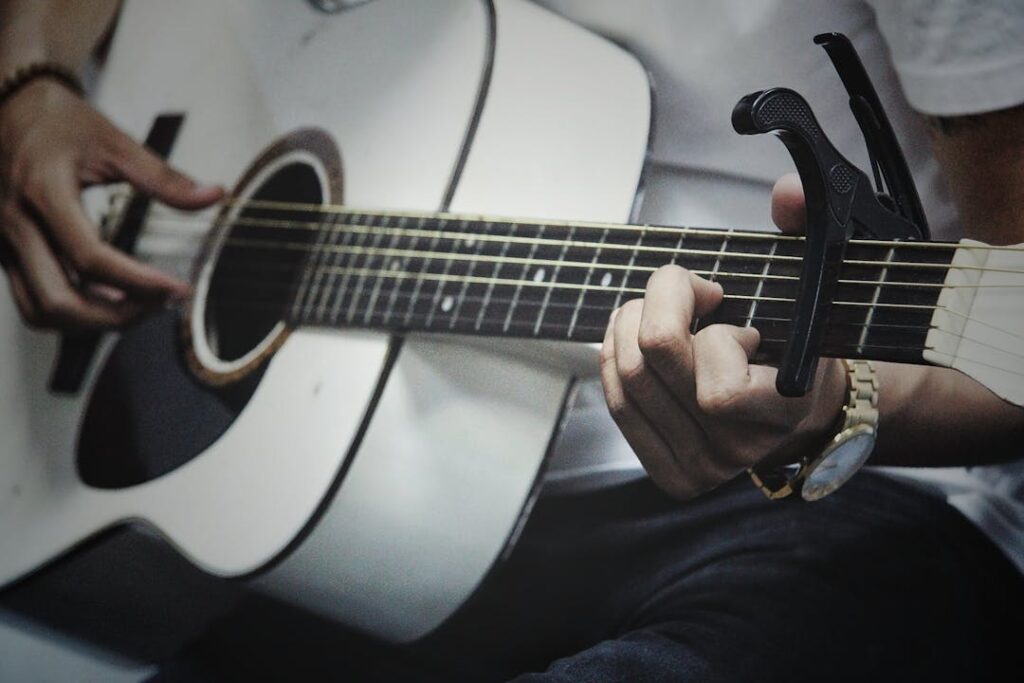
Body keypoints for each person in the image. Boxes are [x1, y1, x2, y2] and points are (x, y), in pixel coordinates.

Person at [1, 0, 1022, 680]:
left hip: (845, 500)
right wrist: (33, 79)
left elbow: (1008, 345)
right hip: (383, 489)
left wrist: (831, 405)